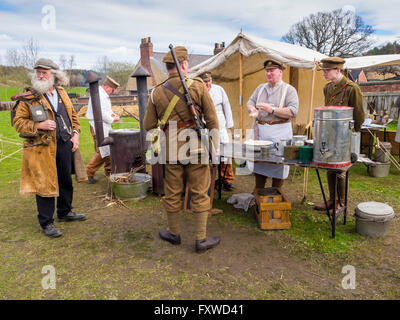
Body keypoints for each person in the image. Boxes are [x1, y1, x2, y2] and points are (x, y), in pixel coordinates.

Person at [143, 46, 221, 253]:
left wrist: (165, 128)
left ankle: (174, 233)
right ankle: (200, 238)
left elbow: (147, 125)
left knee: (172, 192)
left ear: (167, 67)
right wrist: (215, 146)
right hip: (196, 146)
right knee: (199, 192)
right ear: (184, 64)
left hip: (171, 149)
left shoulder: (157, 92)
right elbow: (212, 120)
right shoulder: (198, 86)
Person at [13, 58, 86, 238]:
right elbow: (18, 122)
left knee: (65, 180)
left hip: (64, 144)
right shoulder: (29, 97)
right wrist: (38, 126)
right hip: (42, 148)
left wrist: (75, 134)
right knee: (44, 184)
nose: (40, 75)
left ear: (54, 75)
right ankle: (46, 222)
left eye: (44, 72)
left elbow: (73, 117)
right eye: (38, 72)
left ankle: (65, 212)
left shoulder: (62, 93)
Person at [314, 57, 365, 213]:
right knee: (330, 166)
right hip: (330, 135)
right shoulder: (328, 88)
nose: (324, 74)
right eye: (323, 71)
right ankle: (331, 199)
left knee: (341, 170)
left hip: (344, 136)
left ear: (338, 70)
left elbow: (359, 115)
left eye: (327, 71)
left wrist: (351, 138)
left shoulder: (351, 88)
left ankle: (341, 203)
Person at [246, 59, 299, 192]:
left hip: (280, 132)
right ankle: (258, 190)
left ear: (280, 72)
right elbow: (250, 102)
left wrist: (272, 110)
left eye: (272, 71)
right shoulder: (260, 88)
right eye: (267, 71)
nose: (269, 74)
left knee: (279, 161)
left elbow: (293, 111)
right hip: (262, 131)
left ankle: (276, 191)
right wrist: (253, 110)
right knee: (259, 161)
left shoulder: (289, 90)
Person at [199, 71, 235, 191]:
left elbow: (227, 106)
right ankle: (216, 177)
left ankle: (228, 179)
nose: (207, 84)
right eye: (205, 82)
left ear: (211, 80)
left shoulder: (219, 89)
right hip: (205, 124)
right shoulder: (198, 91)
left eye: (209, 81)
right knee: (211, 151)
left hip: (220, 122)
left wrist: (229, 124)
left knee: (224, 150)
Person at [85, 76, 121, 183]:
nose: (112, 92)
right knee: (103, 150)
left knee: (108, 148)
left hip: (103, 125)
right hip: (98, 125)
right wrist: (113, 119)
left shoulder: (102, 94)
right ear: (106, 86)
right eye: (112, 89)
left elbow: (106, 110)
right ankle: (88, 172)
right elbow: (101, 112)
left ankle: (109, 171)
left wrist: (112, 114)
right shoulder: (99, 94)